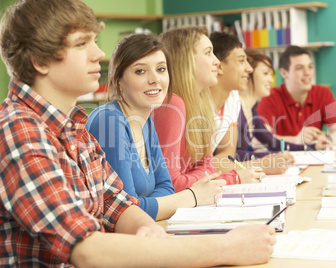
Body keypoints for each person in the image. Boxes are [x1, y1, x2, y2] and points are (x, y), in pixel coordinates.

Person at [0, 0, 277, 266]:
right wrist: (227, 247)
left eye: (94, 41)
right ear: (40, 60)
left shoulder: (73, 126)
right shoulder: (19, 130)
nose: (98, 53)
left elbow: (116, 203)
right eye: (82, 44)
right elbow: (86, 249)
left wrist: (148, 230)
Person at [86, 33, 225, 221]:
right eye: (140, 71)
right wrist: (191, 196)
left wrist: (147, 204)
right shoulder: (110, 120)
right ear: (118, 81)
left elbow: (166, 187)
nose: (155, 79)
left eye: (161, 69)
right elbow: (126, 211)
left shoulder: (146, 120)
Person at [153, 26, 261, 189]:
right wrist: (233, 178)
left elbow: (207, 166)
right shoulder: (172, 104)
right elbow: (172, 184)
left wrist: (202, 175)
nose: (216, 61)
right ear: (186, 60)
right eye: (208, 52)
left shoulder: (200, 104)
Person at [209, 31, 292, 174]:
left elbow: (224, 157)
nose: (249, 69)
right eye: (241, 61)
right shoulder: (205, 104)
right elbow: (213, 162)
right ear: (219, 66)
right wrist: (262, 161)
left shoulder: (232, 98)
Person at [237, 49, 332, 161]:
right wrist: (271, 157)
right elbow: (230, 156)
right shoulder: (236, 109)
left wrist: (313, 146)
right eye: (266, 73)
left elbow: (272, 143)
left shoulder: (251, 109)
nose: (271, 80)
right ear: (247, 74)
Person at [256, 45, 336, 145]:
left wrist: (327, 140)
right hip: (285, 158)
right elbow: (257, 140)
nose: (307, 73)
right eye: (299, 68)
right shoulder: (270, 97)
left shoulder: (324, 94)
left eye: (310, 67)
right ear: (284, 73)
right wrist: (296, 140)